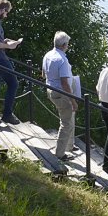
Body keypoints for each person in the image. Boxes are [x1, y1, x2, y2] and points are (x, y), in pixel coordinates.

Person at [42, 31, 78, 161]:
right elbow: (65, 83)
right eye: (67, 44)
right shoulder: (62, 59)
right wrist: (73, 101)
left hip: (50, 89)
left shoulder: (48, 55)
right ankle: (60, 153)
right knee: (66, 123)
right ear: (63, 45)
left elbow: (43, 74)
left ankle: (68, 146)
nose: (68, 46)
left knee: (66, 118)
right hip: (61, 92)